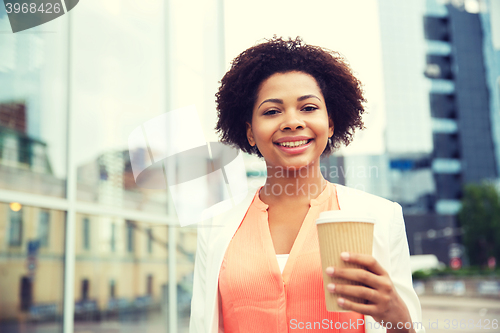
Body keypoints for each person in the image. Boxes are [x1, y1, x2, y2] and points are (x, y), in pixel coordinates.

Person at [190, 36, 424, 333]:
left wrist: (395, 313)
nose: (292, 122)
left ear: (330, 124)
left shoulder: (382, 217)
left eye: (308, 108)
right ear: (250, 132)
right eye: (272, 111)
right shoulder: (215, 225)